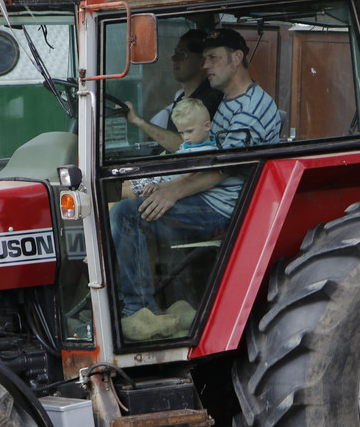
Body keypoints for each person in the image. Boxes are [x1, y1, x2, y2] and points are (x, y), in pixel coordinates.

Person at [111, 27, 281, 341]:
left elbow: (225, 169)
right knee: (123, 199)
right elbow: (198, 149)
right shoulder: (228, 101)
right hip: (207, 195)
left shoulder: (251, 109)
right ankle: (164, 306)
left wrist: (172, 191)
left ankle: (139, 312)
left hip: (223, 208)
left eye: (212, 58)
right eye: (203, 58)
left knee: (125, 214)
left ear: (236, 59)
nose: (205, 65)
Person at [125, 28, 222, 142]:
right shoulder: (181, 98)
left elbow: (186, 145)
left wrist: (138, 120)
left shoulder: (208, 101)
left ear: (202, 62)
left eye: (183, 54)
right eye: (175, 53)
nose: (174, 58)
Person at [124, 97, 217, 197]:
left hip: (165, 183)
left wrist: (161, 186)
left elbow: (189, 179)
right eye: (181, 133)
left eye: (189, 131)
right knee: (120, 184)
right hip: (159, 175)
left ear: (207, 126)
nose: (185, 137)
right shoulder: (190, 145)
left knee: (124, 193)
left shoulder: (207, 152)